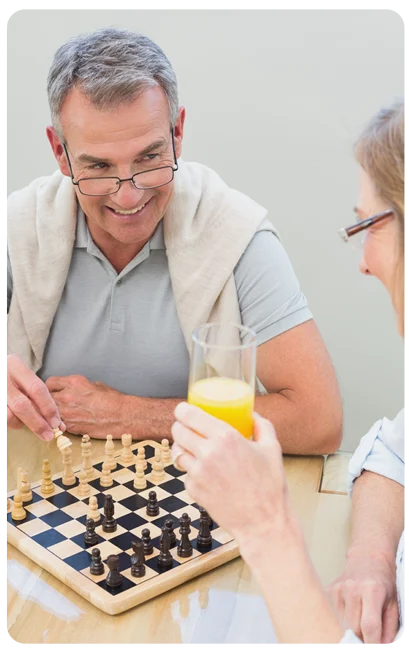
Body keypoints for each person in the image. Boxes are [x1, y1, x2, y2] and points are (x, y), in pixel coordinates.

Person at [7, 28, 342, 451]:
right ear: (60, 152)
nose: (128, 196)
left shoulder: (237, 235)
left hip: (197, 503)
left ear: (178, 133)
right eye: (98, 166)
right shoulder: (16, 230)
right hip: (44, 500)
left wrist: (130, 414)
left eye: (149, 158)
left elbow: (318, 420)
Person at [171, 98, 407, 646]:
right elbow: (393, 452)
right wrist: (371, 557)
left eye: (366, 225)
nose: (364, 262)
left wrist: (265, 526)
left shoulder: (238, 233)